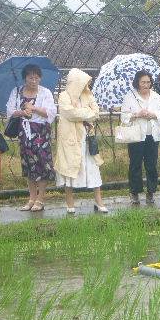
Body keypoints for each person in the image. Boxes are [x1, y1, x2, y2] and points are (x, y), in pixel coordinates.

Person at [55, 68, 108, 214]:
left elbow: (96, 112)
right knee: (70, 169)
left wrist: (84, 114)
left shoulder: (87, 95)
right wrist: (86, 114)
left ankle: (99, 201)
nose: (86, 85)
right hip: (70, 140)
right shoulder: (64, 96)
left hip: (87, 139)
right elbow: (69, 113)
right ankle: (70, 204)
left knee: (93, 168)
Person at [5, 64, 57, 212]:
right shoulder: (16, 91)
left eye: (36, 77)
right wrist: (22, 112)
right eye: (30, 77)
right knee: (28, 165)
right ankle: (31, 198)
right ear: (25, 78)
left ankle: (41, 198)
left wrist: (34, 108)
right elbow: (10, 111)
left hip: (40, 133)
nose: (33, 80)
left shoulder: (45, 92)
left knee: (42, 163)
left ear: (40, 78)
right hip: (24, 132)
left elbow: (50, 112)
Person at [120, 70, 160, 205]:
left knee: (151, 164)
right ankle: (134, 192)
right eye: (143, 82)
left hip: (152, 136)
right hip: (136, 136)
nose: (146, 85)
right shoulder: (130, 96)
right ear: (137, 83)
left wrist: (153, 115)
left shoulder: (156, 97)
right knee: (135, 164)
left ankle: (151, 191)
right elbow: (124, 117)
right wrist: (137, 115)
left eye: (148, 82)